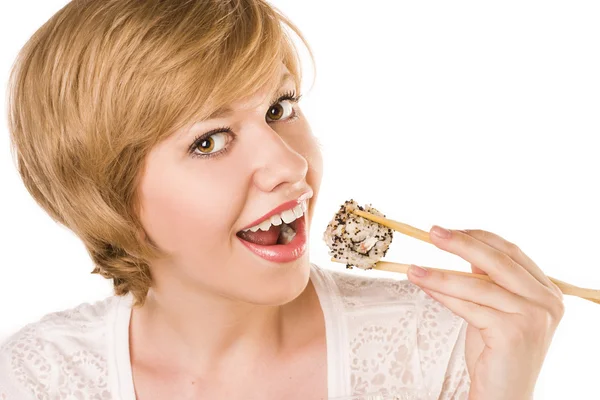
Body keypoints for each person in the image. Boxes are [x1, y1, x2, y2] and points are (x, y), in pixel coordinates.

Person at [0, 1, 564, 399]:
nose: (291, 166)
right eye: (209, 141)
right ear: (108, 195)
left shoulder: (443, 348)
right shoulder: (35, 379)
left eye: (279, 108)